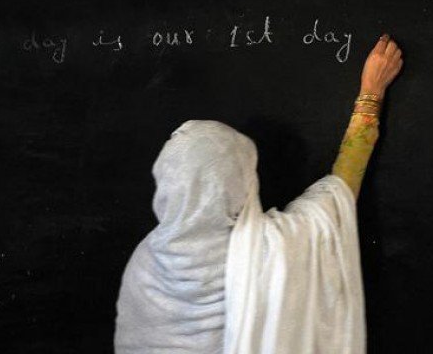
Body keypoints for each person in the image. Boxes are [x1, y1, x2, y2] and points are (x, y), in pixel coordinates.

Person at [114, 34, 403, 354]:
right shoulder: (272, 249)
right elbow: (341, 192)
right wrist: (371, 92)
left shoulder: (145, 263)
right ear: (240, 181)